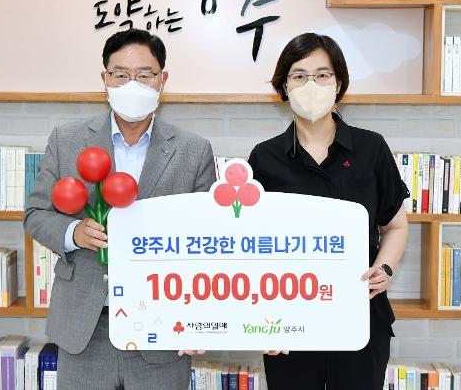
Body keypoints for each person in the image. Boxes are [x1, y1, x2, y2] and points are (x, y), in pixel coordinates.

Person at [24, 28, 216, 390]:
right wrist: (74, 233)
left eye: (144, 75)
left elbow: (209, 239)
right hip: (85, 326)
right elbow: (36, 215)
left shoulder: (194, 151)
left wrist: (199, 318)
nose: (133, 84)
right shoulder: (66, 140)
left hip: (161, 328)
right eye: (121, 75)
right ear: (105, 79)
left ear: (162, 80)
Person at [247, 33, 409, 390]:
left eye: (322, 75)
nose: (311, 85)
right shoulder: (264, 157)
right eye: (299, 75)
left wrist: (384, 268)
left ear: (338, 84)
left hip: (360, 314)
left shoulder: (371, 148)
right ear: (284, 86)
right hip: (287, 323)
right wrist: (261, 320)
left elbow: (395, 226)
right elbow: (250, 246)